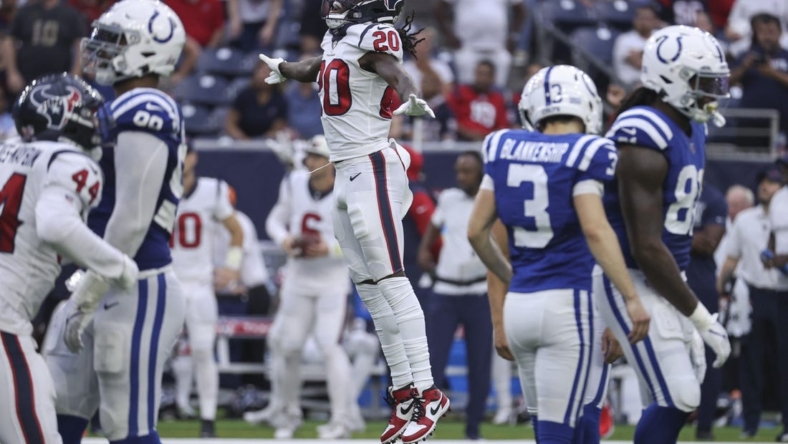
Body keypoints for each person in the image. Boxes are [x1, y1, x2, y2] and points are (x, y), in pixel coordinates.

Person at [257, 1, 450, 442]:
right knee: (371, 290)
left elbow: (389, 68)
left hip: (373, 165)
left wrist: (408, 91)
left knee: (393, 281)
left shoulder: (373, 37)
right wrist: (285, 68)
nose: (335, 4)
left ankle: (428, 392)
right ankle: (405, 395)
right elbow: (319, 68)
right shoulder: (340, 40)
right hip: (346, 171)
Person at [467, 64, 650, 444]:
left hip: (521, 303)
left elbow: (478, 233)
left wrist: (507, 298)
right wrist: (629, 300)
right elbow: (596, 231)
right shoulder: (591, 152)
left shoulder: (503, 146)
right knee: (574, 423)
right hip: (573, 302)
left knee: (547, 425)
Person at [44, 1, 188, 442]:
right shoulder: (116, 105)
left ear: (149, 49)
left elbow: (130, 220)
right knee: (55, 411)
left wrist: (88, 289)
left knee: (124, 424)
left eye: (114, 39)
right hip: (100, 279)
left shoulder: (147, 105)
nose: (100, 48)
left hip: (135, 282)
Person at [597, 26, 731, 444]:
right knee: (679, 395)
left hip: (665, 275)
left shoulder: (691, 125)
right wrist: (701, 316)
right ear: (670, 78)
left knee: (681, 400)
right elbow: (645, 245)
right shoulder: (642, 133)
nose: (712, 94)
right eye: (703, 84)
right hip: (632, 276)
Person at [0, 74, 136, 444]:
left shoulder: (6, 152)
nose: (95, 123)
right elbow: (56, 225)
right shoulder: (67, 160)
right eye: (87, 114)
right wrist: (118, 266)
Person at [250, 135, 355, 440]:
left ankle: (341, 421)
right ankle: (289, 414)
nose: (311, 162)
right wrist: (284, 239)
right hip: (298, 279)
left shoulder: (347, 190)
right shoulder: (294, 182)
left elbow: (360, 241)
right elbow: (274, 220)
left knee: (330, 348)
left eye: (317, 156)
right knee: (288, 346)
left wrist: (329, 249)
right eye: (309, 156)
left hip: (332, 282)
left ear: (331, 161)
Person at [169, 146, 244, 437]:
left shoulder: (212, 190)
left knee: (202, 351)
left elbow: (237, 231)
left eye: (185, 153)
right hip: (168, 281)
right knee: (154, 352)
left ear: (194, 157)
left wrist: (232, 268)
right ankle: (144, 414)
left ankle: (208, 419)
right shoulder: (157, 186)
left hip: (199, 283)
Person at [417, 151, 491, 440]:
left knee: (480, 365)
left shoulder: (491, 201)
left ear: (481, 172)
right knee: (433, 362)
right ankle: (424, 428)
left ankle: (473, 430)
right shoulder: (448, 198)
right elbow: (433, 227)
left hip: (478, 290)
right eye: (459, 171)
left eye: (467, 171)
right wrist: (424, 251)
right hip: (445, 290)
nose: (461, 177)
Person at [717, 166, 788, 440]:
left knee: (784, 363)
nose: (765, 187)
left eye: (772, 182)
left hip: (784, 295)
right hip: (754, 295)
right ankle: (750, 423)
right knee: (751, 362)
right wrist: (721, 289)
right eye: (763, 182)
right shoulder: (745, 220)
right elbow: (731, 259)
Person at [685, 182, 727, 440]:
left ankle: (705, 426)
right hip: (665, 283)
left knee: (709, 356)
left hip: (700, 285)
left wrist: (668, 236)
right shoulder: (663, 188)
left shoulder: (713, 197)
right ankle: (664, 422)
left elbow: (709, 242)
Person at [612, 4, 660, 88]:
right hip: (630, 84)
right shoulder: (625, 39)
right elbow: (638, 63)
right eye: (641, 18)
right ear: (635, 20)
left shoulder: (659, 36)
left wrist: (640, 54)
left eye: (648, 19)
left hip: (655, 82)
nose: (644, 22)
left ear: (655, 21)